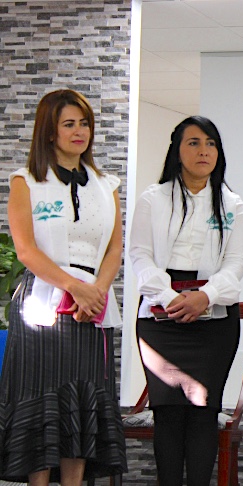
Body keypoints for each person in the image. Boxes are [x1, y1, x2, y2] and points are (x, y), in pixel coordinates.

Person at [0, 89, 127, 484]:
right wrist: (74, 286)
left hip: (92, 306)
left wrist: (97, 292)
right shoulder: (27, 182)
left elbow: (114, 247)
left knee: (83, 399)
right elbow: (25, 249)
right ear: (50, 132)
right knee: (43, 400)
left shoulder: (106, 184)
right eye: (68, 124)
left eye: (84, 123)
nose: (79, 131)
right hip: (43, 303)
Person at [129, 116, 243, 486]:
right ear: (177, 151)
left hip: (213, 321)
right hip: (159, 319)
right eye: (194, 143)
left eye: (211, 143)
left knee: (203, 411)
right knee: (167, 412)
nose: (204, 151)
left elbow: (236, 263)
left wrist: (204, 297)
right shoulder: (154, 198)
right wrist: (169, 298)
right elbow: (139, 256)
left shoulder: (232, 203)